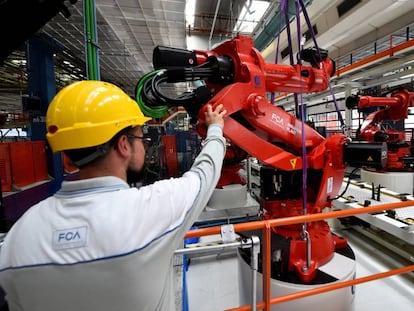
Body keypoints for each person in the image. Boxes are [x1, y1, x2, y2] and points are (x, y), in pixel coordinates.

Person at [0, 80, 227, 311]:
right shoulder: (151, 210)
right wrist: (216, 128)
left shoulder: (19, 236)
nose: (145, 146)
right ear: (123, 145)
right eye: (141, 137)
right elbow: (205, 173)